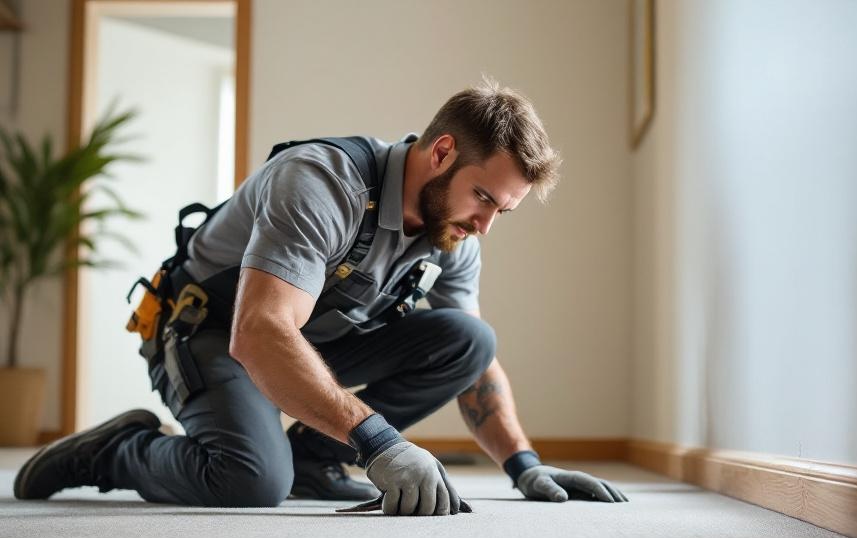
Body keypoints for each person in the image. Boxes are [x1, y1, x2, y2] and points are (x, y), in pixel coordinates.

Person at [15, 79, 628, 515]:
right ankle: (118, 452)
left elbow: (473, 365)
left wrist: (525, 466)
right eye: (485, 198)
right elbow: (259, 333)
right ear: (441, 152)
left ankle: (311, 460)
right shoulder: (321, 183)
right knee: (250, 482)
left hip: (307, 341)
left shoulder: (454, 234)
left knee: (469, 338)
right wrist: (379, 441)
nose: (486, 224)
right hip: (212, 334)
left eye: (504, 210)